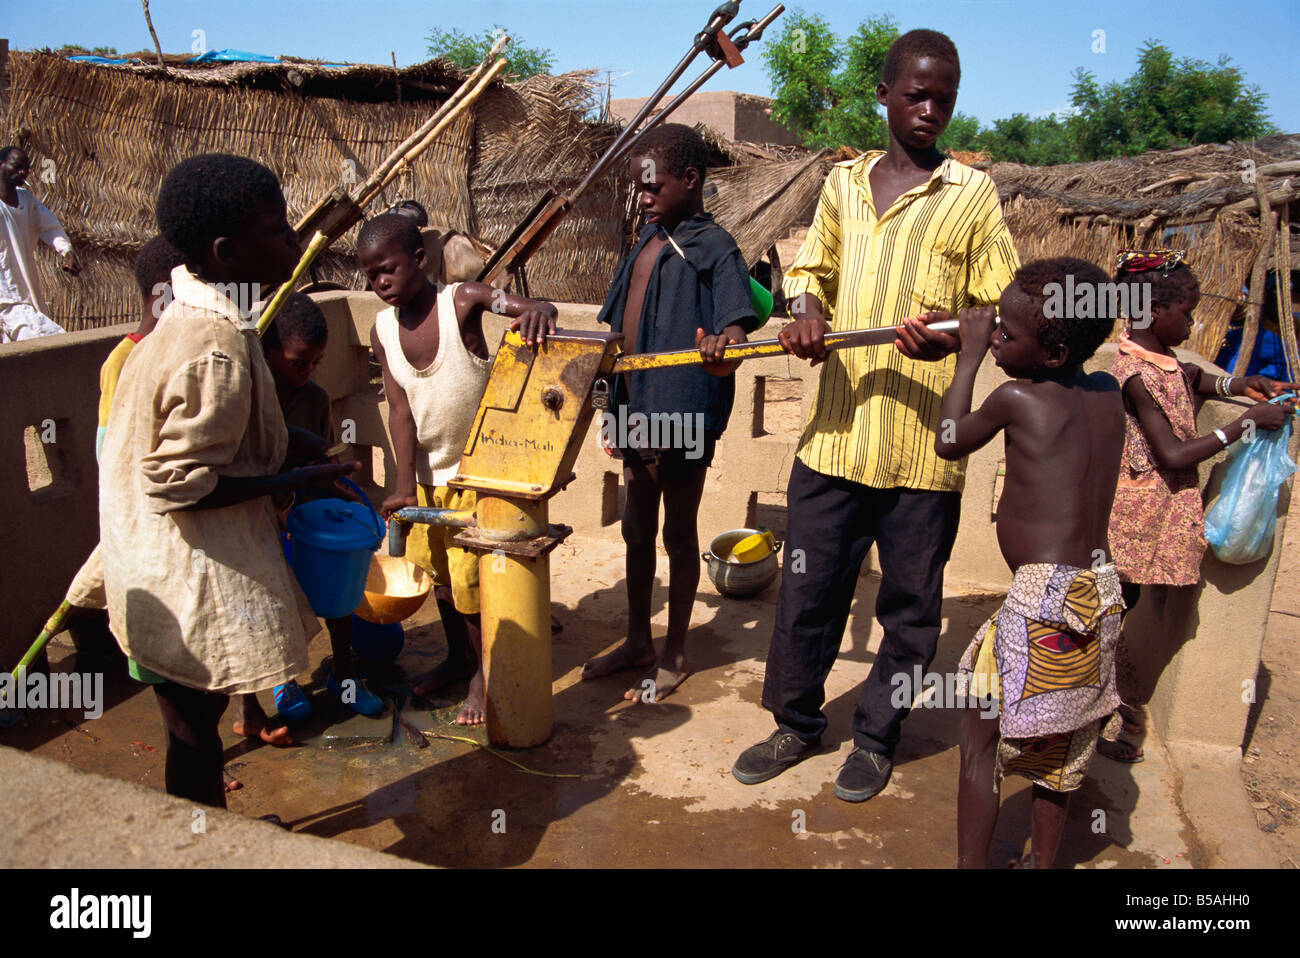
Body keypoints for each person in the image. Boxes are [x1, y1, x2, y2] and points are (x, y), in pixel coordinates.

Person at [732, 29, 1019, 802]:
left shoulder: (971, 195)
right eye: (917, 94)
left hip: (924, 452)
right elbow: (810, 274)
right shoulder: (842, 185)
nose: (931, 110)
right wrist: (801, 314)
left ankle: (875, 737)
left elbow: (994, 308)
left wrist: (951, 341)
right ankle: (794, 724)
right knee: (808, 592)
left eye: (945, 99)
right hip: (833, 438)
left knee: (910, 611)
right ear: (885, 95)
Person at [99, 153, 357, 808]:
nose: (295, 242)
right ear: (227, 252)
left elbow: (208, 438)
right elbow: (179, 483)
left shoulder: (203, 319)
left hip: (152, 563)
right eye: (279, 230)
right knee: (194, 738)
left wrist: (285, 443)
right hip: (181, 575)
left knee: (191, 730)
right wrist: (304, 474)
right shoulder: (212, 347)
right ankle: (204, 842)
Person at [933, 257, 1123, 868]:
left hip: (1042, 599)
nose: (992, 338)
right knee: (1062, 749)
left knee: (980, 745)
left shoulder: (1016, 398)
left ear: (1052, 351)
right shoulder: (1108, 393)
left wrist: (965, 356)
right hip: (1101, 592)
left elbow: (949, 438)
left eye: (1005, 335)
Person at [571, 122, 760, 702]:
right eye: (638, 189)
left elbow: (736, 324)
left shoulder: (715, 246)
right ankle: (637, 641)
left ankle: (675, 652)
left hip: (683, 407)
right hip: (635, 406)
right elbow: (616, 336)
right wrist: (609, 407)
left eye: (653, 187)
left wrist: (722, 343)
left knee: (678, 531)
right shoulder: (643, 248)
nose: (644, 198)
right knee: (635, 527)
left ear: (690, 180)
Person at [360, 212, 557, 725]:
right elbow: (400, 411)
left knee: (473, 587)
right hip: (428, 482)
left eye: (388, 269)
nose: (379, 283)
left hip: (475, 477)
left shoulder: (461, 301)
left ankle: (484, 672)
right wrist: (404, 487)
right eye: (369, 275)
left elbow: (524, 304)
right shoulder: (382, 330)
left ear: (420, 261)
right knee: (444, 582)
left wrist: (539, 309)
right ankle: (457, 658)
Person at [1100, 249, 1295, 763]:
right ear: (1152, 310)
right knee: (1112, 611)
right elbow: (1173, 452)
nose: (1193, 321)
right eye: (1186, 313)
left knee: (1123, 608)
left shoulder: (1160, 363)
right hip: (1135, 519)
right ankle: (1091, 713)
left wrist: (1239, 385)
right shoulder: (1135, 375)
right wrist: (1246, 423)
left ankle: (1102, 708)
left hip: (1154, 517)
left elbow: (1194, 378)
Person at [230, 292, 386, 749]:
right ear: (267, 353)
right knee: (269, 607)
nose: (309, 372)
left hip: (301, 513)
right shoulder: (249, 399)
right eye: (300, 362)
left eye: (316, 362)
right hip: (255, 521)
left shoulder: (315, 399)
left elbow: (320, 456)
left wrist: (340, 494)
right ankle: (279, 684)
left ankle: (344, 675)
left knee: (337, 596)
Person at [62, 236, 186, 668]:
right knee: (157, 647)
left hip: (175, 524)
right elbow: (112, 453)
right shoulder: (125, 360)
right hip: (146, 524)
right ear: (169, 293)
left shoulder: (176, 351)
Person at [0, 145, 82, 342]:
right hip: (6, 296)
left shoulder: (27, 200)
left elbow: (50, 227)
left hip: (23, 288)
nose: (23, 172)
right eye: (17, 166)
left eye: (26, 168)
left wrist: (67, 252)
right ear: (1, 164)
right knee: (46, 339)